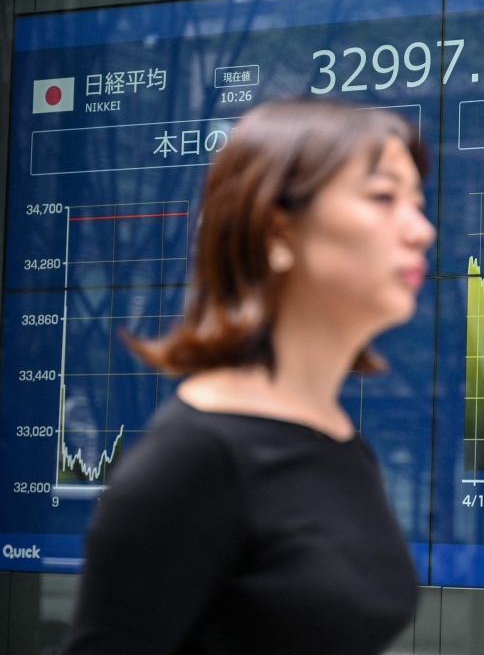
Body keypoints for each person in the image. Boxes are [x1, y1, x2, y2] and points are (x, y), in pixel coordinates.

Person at [63, 99, 436, 655]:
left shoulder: (340, 443)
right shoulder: (197, 459)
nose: (421, 230)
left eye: (417, 202)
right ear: (276, 230)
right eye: (383, 198)